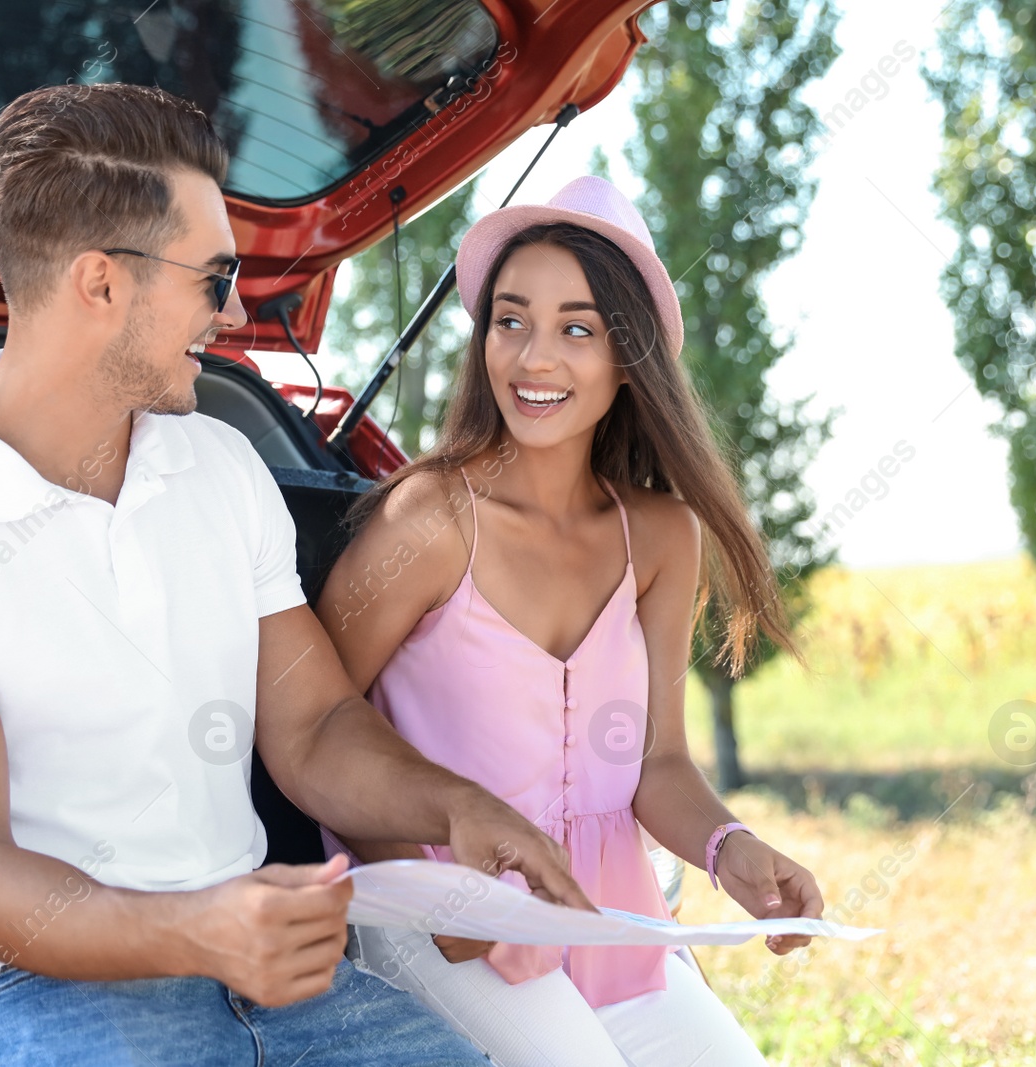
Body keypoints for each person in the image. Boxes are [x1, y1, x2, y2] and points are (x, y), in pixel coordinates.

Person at [0, 82, 599, 1067]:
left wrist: (455, 804)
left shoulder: (219, 466)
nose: (235, 310)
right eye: (212, 277)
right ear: (101, 285)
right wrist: (197, 928)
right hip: (20, 994)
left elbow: (315, 726)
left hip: (274, 983)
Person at [313, 175, 826, 1067]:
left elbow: (658, 763)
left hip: (609, 911)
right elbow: (312, 724)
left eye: (576, 329)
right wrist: (436, 900)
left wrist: (728, 847)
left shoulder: (663, 537)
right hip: (439, 908)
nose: (533, 358)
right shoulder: (429, 520)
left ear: (628, 360)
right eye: (510, 321)